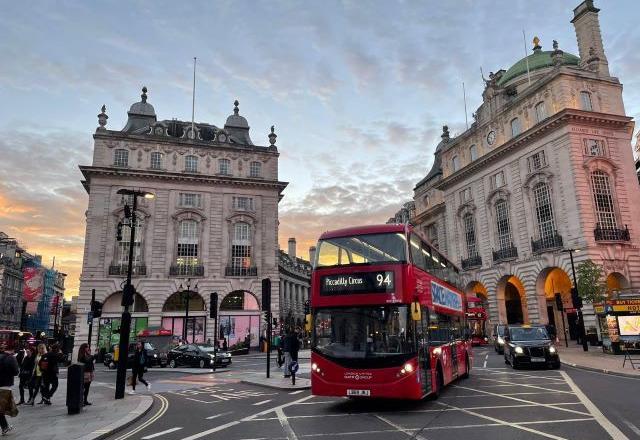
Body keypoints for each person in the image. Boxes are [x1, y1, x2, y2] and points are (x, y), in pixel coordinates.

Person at [0, 342, 19, 436]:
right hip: (5, 386)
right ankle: (5, 427)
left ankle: (5, 427)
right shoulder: (11, 358)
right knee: (1, 409)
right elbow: (16, 372)